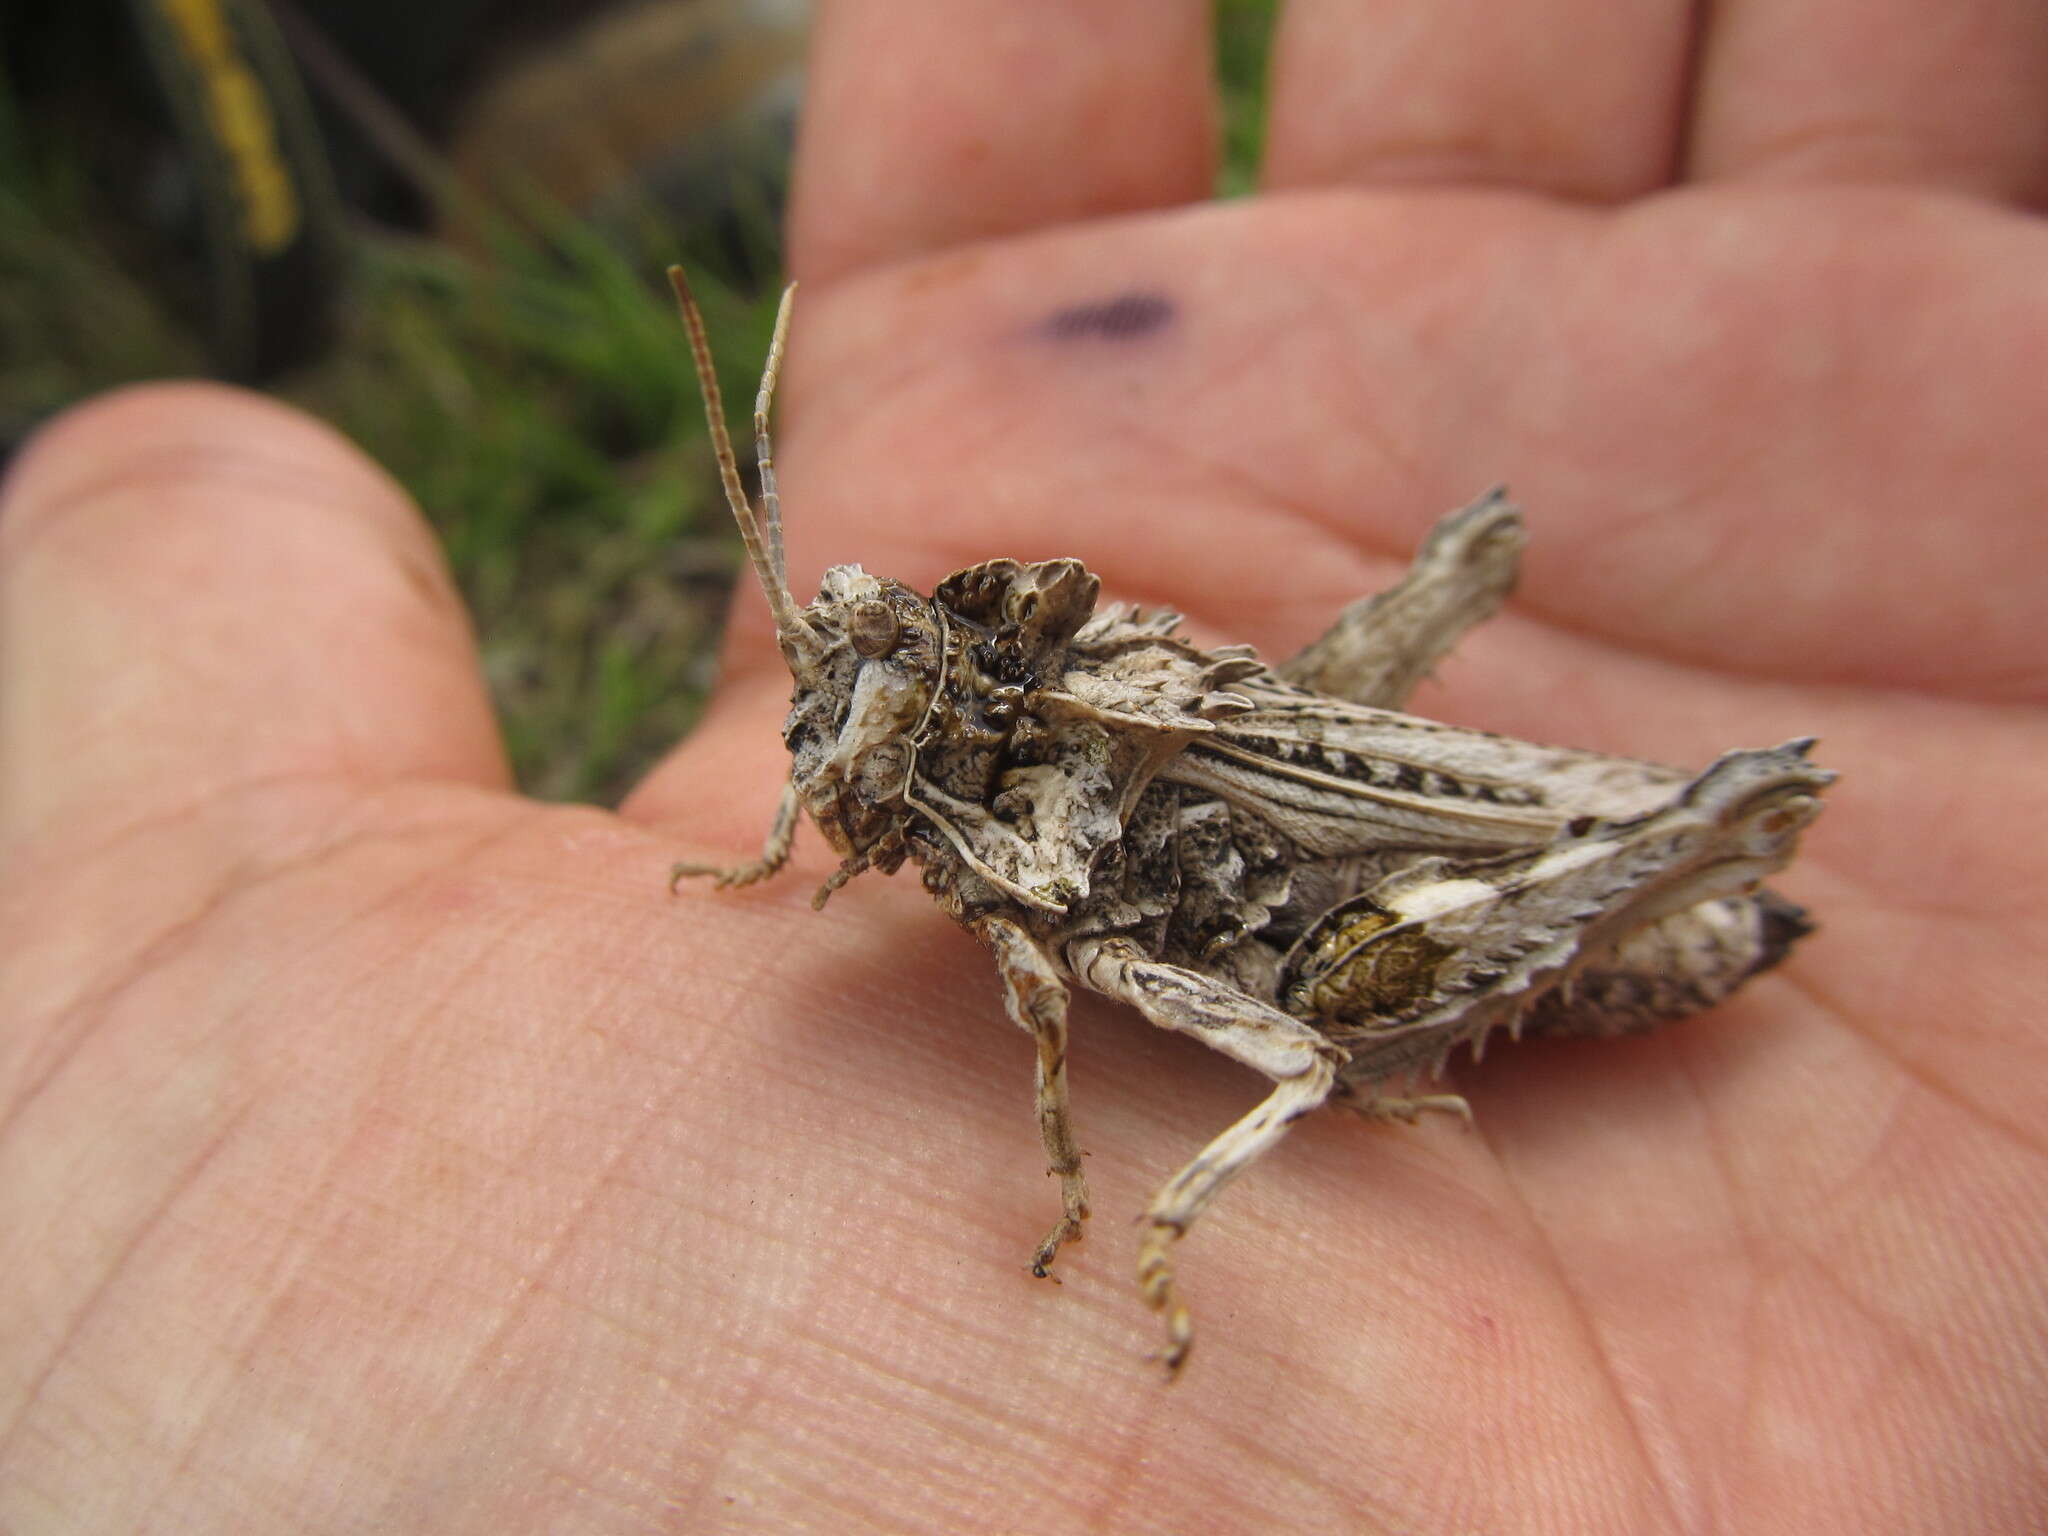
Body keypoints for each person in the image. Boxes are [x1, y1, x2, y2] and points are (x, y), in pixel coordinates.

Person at [4, 4, 2044, 1529]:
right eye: (831, 718)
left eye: (856, 719)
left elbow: (1085, 987)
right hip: (1289, 871)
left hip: (1420, 923)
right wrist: (782, 855)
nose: (830, 747)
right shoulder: (949, 785)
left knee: (1322, 1017)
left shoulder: (1062, 814)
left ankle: (1674, 843)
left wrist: (1117, 1205)